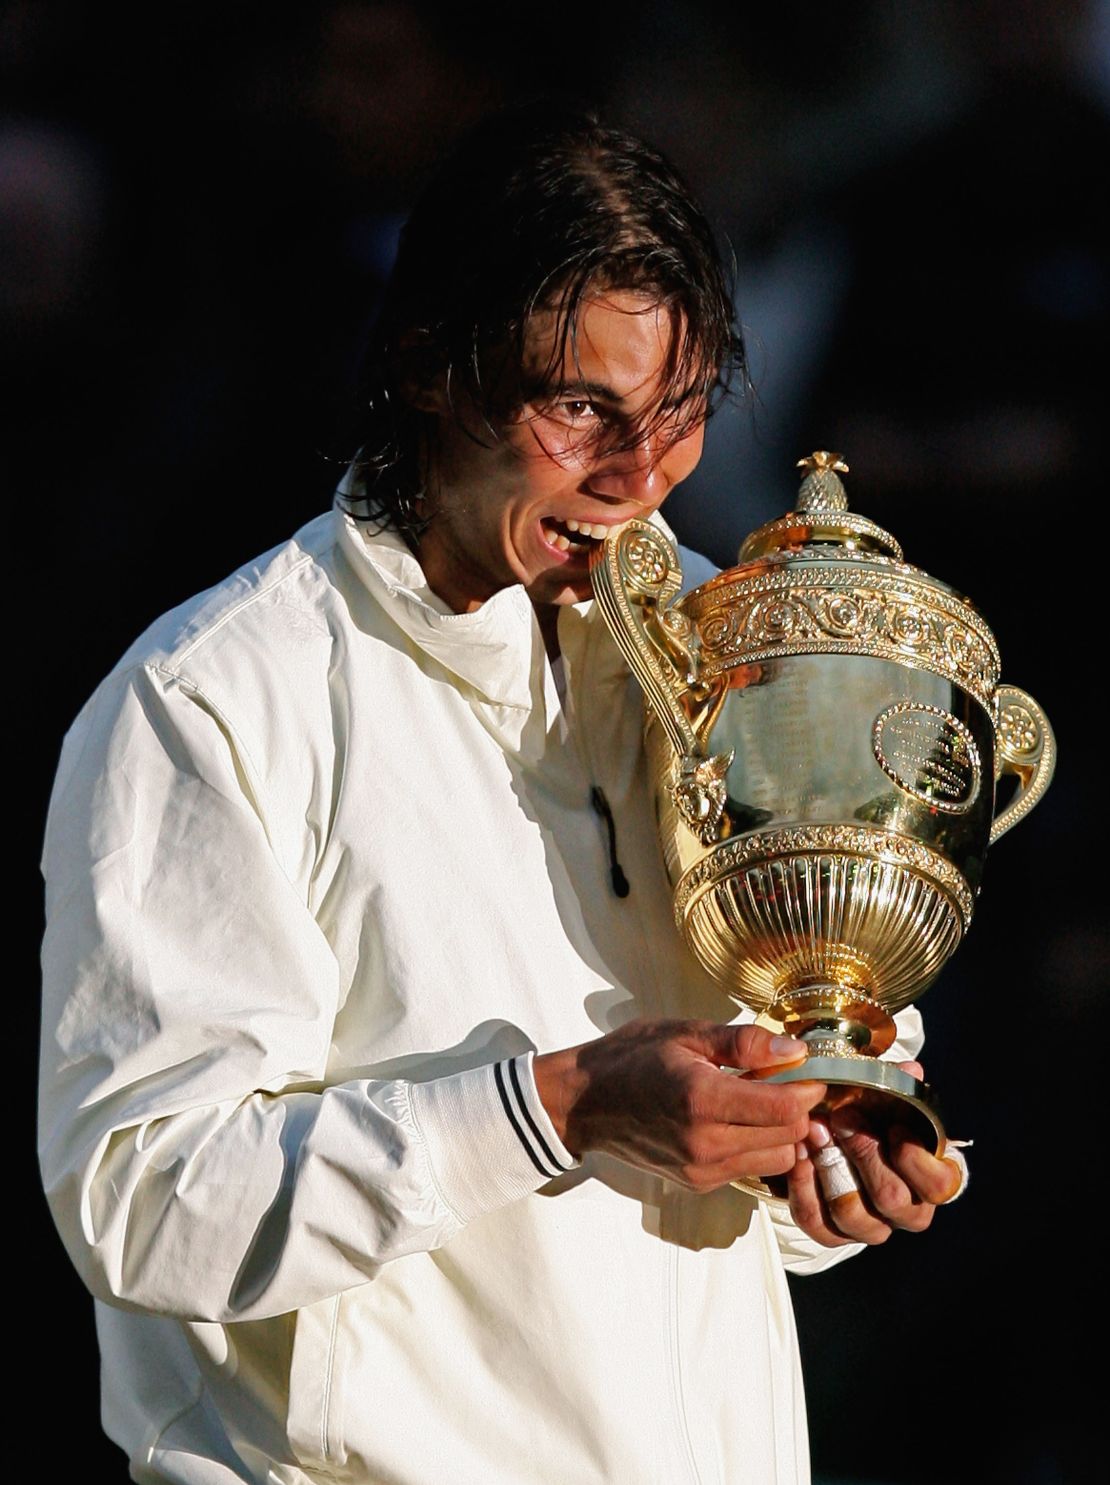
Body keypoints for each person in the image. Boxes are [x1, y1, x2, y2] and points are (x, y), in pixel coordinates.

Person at [39, 102, 965, 1485]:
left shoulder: (741, 652)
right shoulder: (215, 696)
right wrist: (562, 1104)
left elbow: (722, 1209)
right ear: (426, 366)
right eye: (580, 405)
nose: (636, 476)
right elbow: (151, 1210)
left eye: (681, 410)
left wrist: (821, 1155)